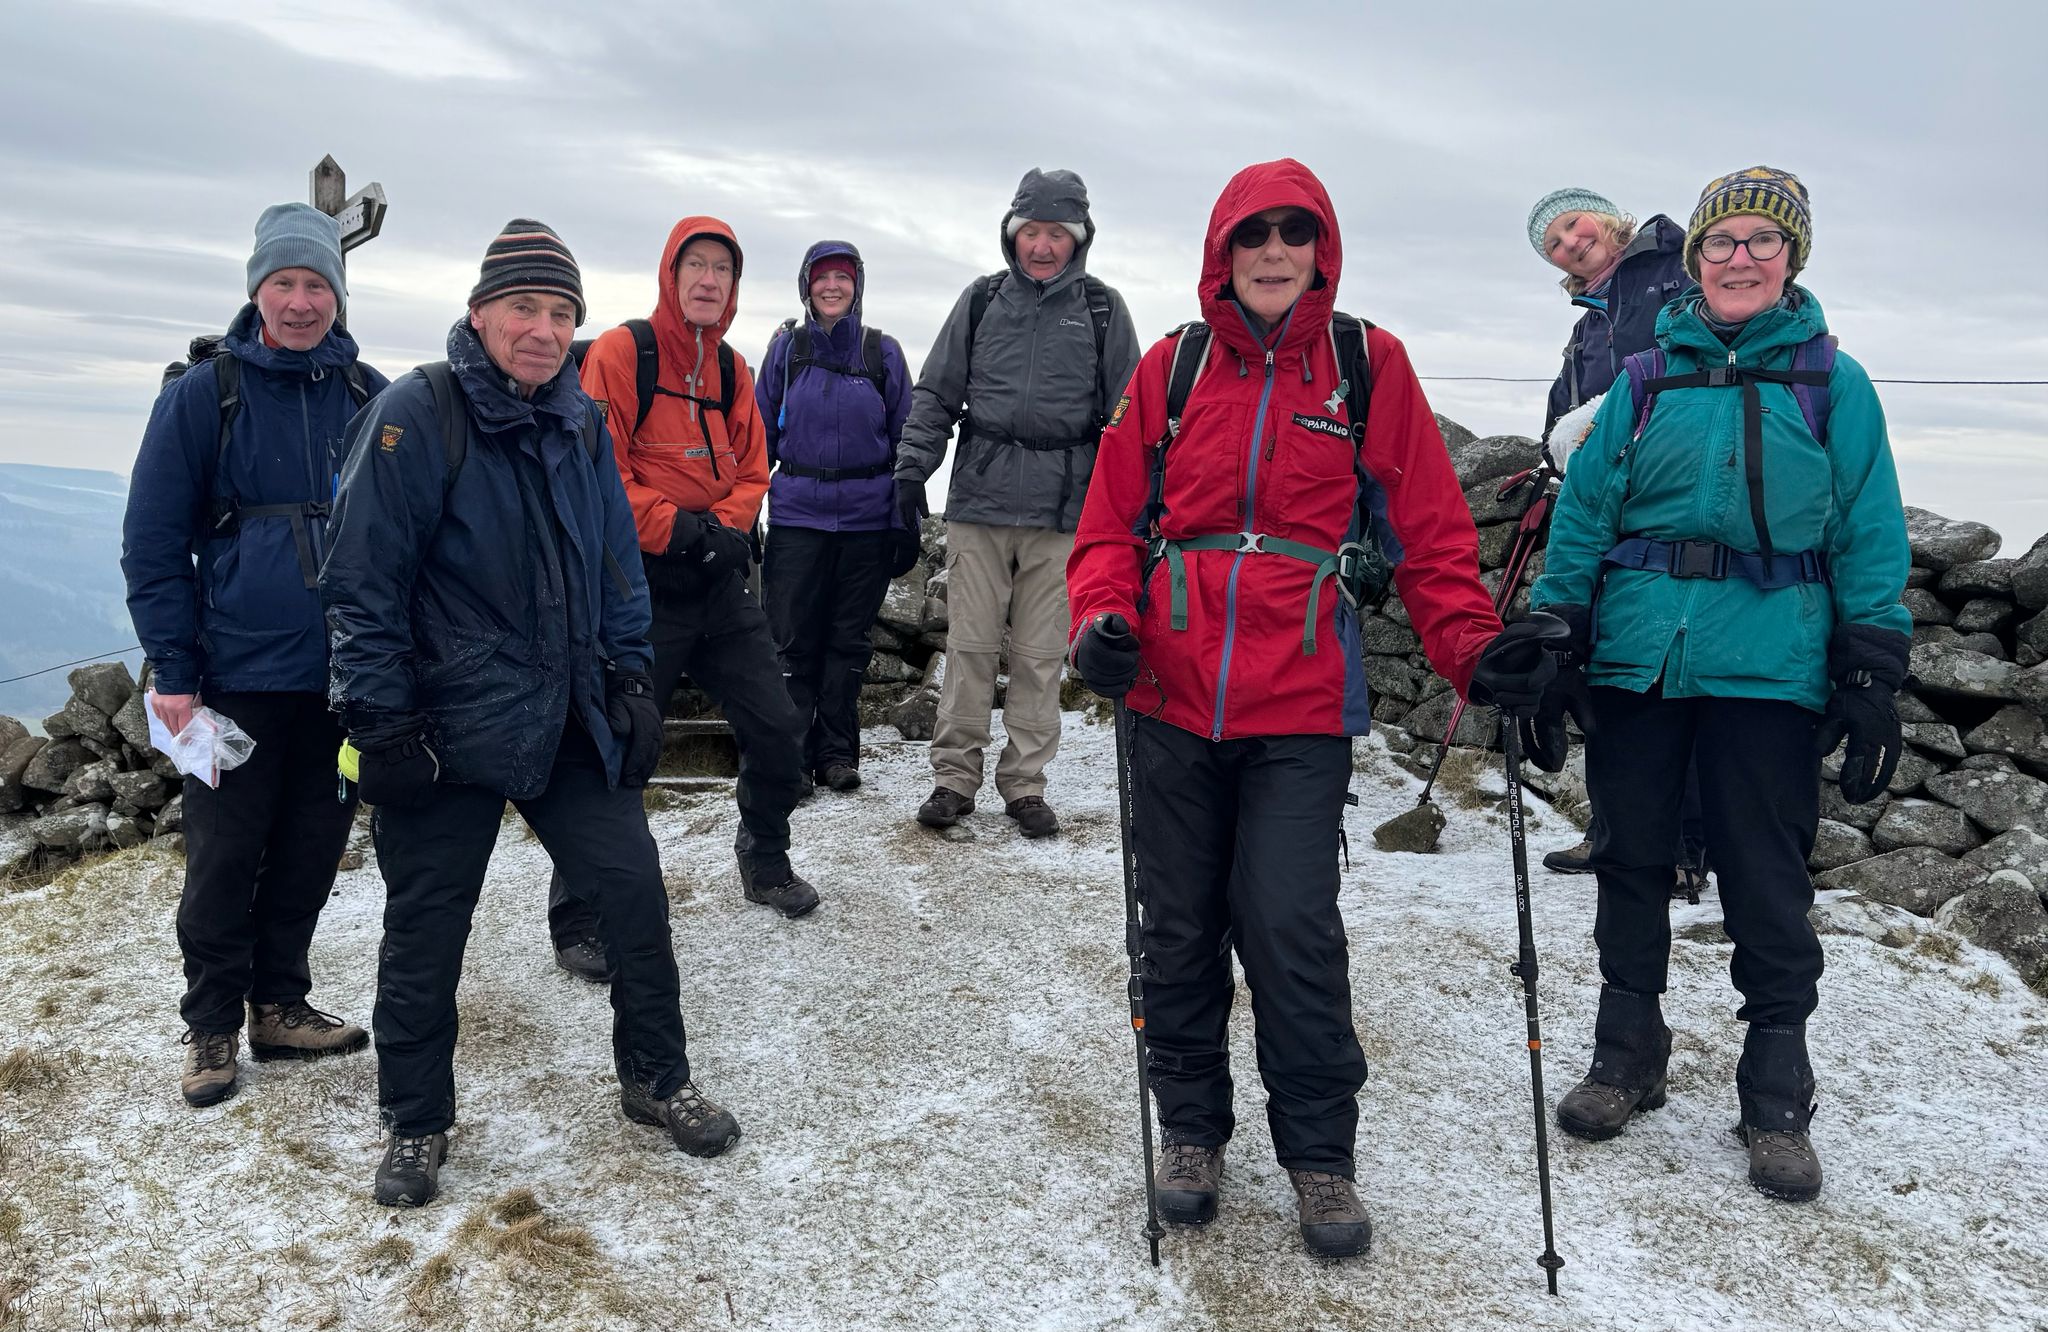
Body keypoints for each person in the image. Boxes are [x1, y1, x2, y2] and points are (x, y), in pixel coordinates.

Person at [1066, 159, 1565, 1258]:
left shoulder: (1365, 366)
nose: (1274, 250)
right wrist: (1101, 617)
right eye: (1253, 234)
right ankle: (1190, 1132)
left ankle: (1318, 1157)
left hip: (1297, 704)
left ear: (1321, 248)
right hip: (1168, 693)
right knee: (1178, 927)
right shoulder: (1171, 367)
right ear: (1222, 251)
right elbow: (1108, 524)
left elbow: (1431, 538)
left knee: (1289, 925)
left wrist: (1476, 655)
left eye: (1294, 232)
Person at [321, 219, 742, 1207]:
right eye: (524, 308)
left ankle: (655, 1078)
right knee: (426, 929)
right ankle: (415, 1122)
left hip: (562, 717)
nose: (544, 330)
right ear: (480, 313)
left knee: (633, 890)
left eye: (561, 313)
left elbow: (612, 568)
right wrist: (380, 727)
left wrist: (632, 679)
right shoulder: (414, 415)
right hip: (443, 731)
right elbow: (361, 587)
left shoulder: (578, 421)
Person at [1529, 168, 1911, 1202]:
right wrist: (1556, 631)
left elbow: (1867, 522)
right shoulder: (1645, 380)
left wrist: (1872, 655)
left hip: (1769, 662)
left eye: (1759, 241)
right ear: (1692, 258)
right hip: (1641, 657)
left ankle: (1774, 1087)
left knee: (1763, 873)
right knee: (1628, 855)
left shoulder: (1834, 381)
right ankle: (1626, 1054)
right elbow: (1587, 513)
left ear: (1791, 257)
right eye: (1719, 242)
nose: (1737, 258)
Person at [122, 202, 387, 1109]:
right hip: (233, 676)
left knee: (315, 847)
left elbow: (411, 535)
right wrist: (174, 671)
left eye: (318, 283)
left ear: (339, 295)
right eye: (285, 282)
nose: (302, 300)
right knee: (225, 860)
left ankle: (280, 1004)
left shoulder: (371, 396)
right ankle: (209, 1026)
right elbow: (153, 542)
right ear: (256, 290)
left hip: (346, 677)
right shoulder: (207, 393)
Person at [546, 215, 818, 987]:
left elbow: (754, 468)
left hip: (719, 585)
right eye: (694, 265)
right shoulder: (621, 353)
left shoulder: (733, 371)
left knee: (776, 727)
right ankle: (579, 915)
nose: (707, 280)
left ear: (734, 288)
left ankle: (763, 859)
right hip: (636, 586)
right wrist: (684, 531)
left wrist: (724, 532)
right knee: (612, 746)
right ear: (671, 274)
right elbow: (597, 470)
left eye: (721, 271)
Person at [896, 168, 1141, 838]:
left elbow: (1130, 417)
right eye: (1031, 230)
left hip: (1066, 512)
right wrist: (911, 469)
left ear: (1077, 240)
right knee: (971, 646)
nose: (1042, 244)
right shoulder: (981, 302)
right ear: (1013, 234)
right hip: (980, 497)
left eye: (1056, 233)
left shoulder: (1102, 309)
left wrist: (1133, 508)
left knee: (1038, 656)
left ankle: (1026, 785)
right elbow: (937, 393)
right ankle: (954, 779)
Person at [1523, 187, 1707, 891]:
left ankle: (1687, 849)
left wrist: (1591, 426)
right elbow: (1563, 410)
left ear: (1604, 214)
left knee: (1672, 668)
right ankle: (1615, 831)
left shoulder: (1672, 267)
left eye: (1572, 224)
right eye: (1555, 246)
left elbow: (1691, 364)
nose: (1570, 242)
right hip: (1604, 502)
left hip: (1663, 500)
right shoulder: (1589, 320)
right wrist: (1554, 453)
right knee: (1606, 667)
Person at [757, 241, 914, 792]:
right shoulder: (786, 349)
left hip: (867, 520)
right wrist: (746, 511)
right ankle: (795, 758)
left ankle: (838, 755)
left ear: (857, 286)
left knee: (849, 641)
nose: (832, 287)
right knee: (793, 641)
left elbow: (906, 441)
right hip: (798, 517)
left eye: (842, 278)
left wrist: (905, 517)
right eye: (821, 278)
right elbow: (759, 440)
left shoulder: (883, 353)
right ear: (806, 286)